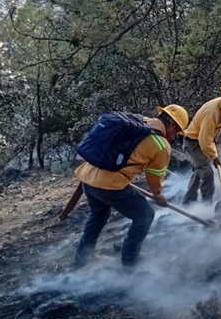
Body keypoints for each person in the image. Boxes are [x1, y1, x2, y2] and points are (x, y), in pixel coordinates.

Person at [73, 104, 189, 268]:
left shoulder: (138, 121)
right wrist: (158, 194)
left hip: (87, 176)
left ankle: (82, 257)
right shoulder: (161, 145)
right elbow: (154, 177)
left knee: (98, 215)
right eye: (176, 132)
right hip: (108, 186)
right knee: (145, 215)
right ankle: (130, 260)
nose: (173, 136)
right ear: (172, 125)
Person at [182, 80, 221, 204]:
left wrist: (214, 140)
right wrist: (214, 156)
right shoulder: (212, 111)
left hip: (203, 140)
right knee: (207, 173)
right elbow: (204, 139)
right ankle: (207, 205)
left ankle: (188, 202)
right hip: (193, 142)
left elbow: (214, 130)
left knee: (199, 171)